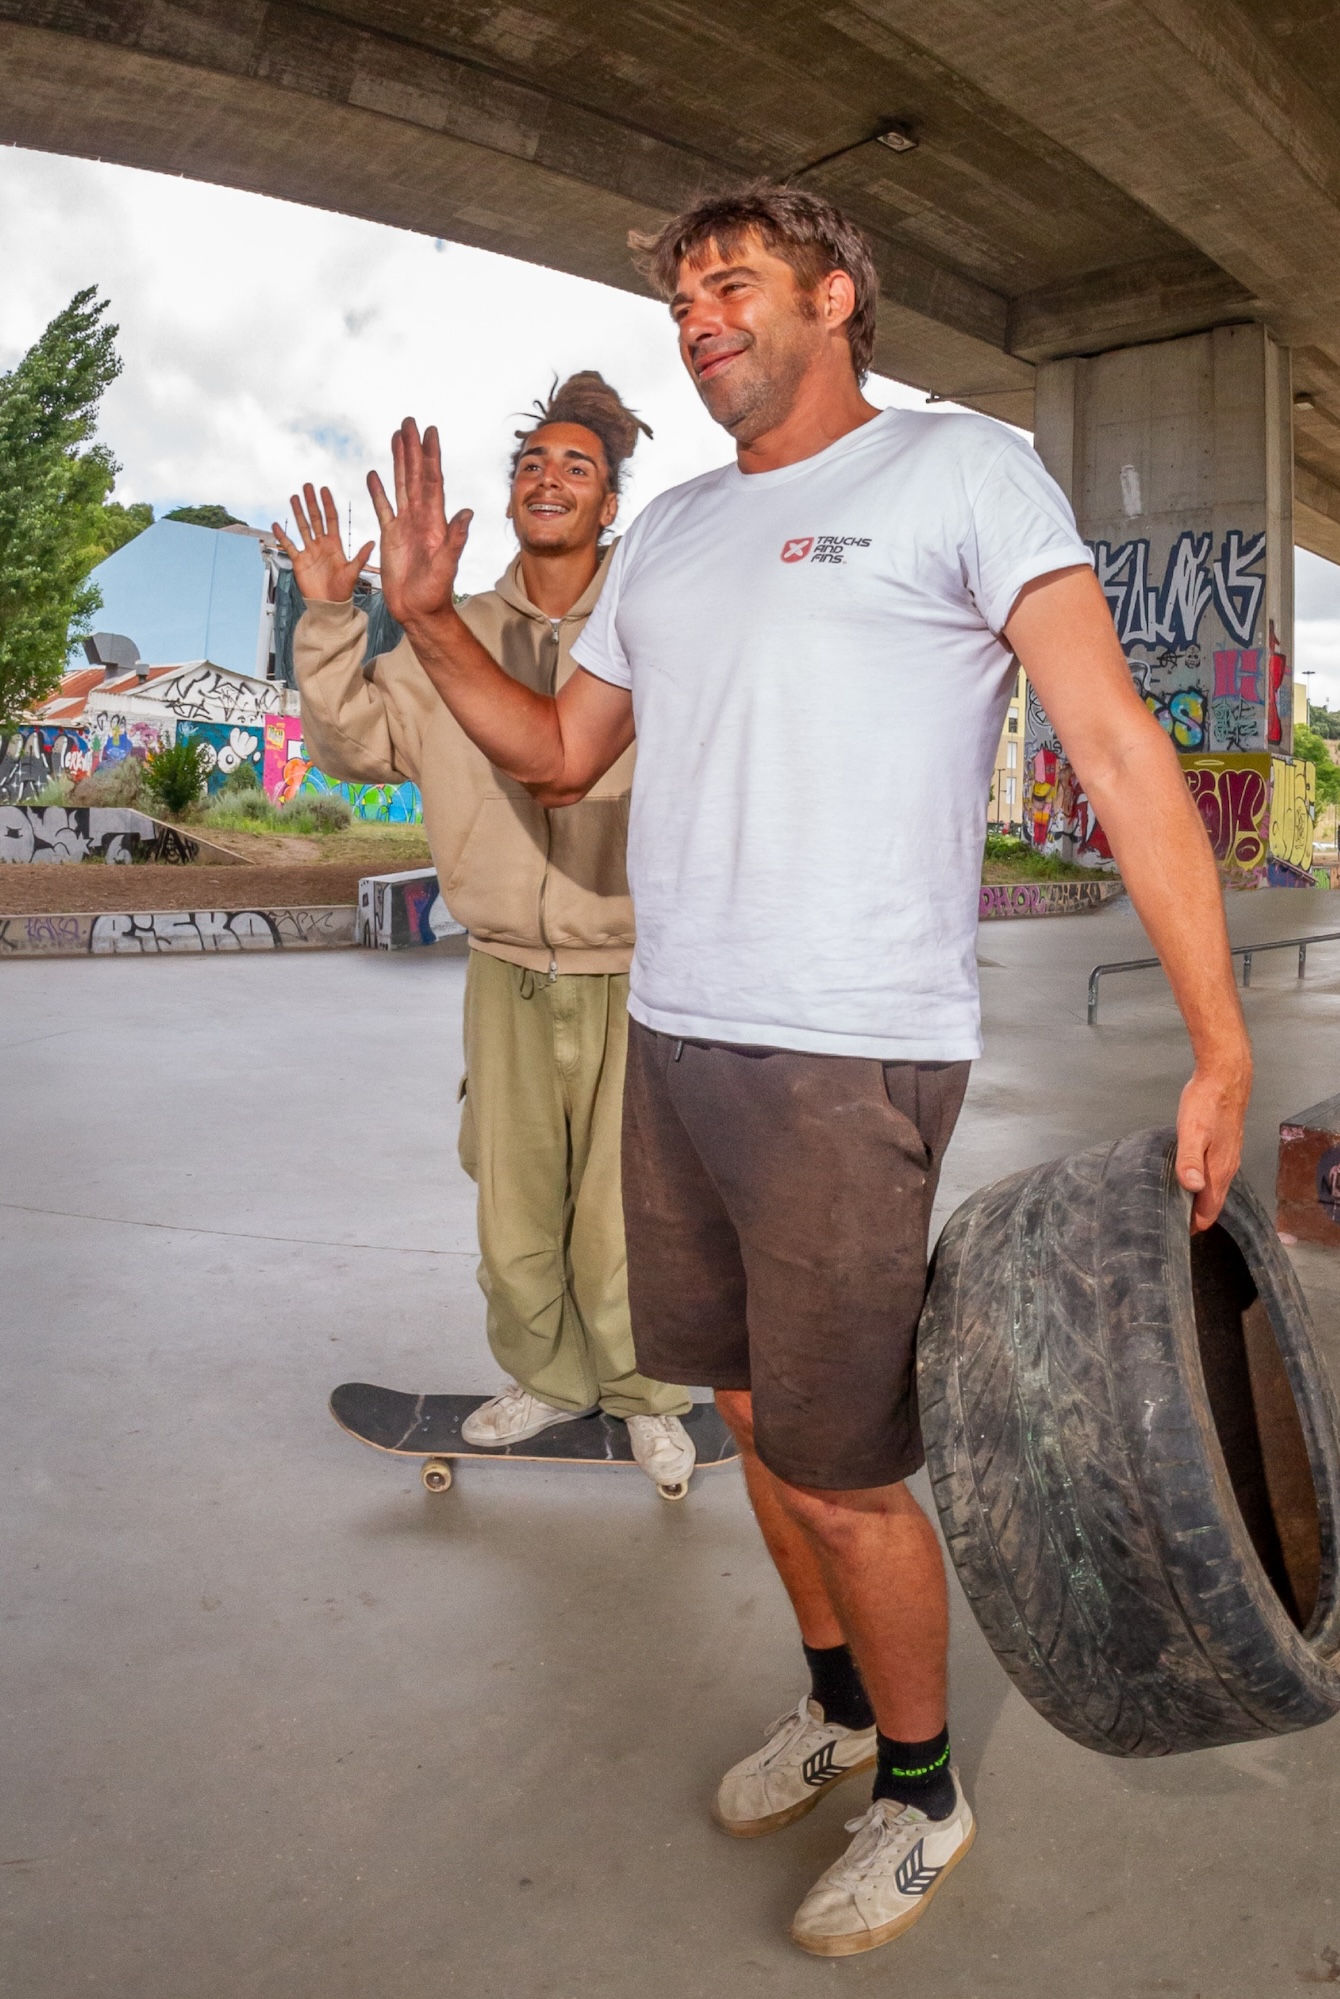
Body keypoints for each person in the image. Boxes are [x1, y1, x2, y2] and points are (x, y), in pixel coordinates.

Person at [359, 187, 1254, 1955]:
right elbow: (558, 752)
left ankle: (924, 1785)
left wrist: (1221, 1040)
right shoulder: (675, 531)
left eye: (733, 284)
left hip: (855, 1053)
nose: (698, 319)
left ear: (836, 296)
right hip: (677, 1034)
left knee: (847, 1458)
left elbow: (1116, 749)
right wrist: (428, 621)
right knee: (758, 1413)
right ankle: (840, 1696)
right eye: (682, 297)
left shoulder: (960, 471)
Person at [272, 374, 699, 1499]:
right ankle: (549, 1381)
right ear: (508, 499)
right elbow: (352, 743)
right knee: (512, 1209)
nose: (548, 477)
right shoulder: (443, 639)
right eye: (531, 464)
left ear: (611, 506)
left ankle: (650, 1397)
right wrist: (330, 615)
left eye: (578, 466)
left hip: (636, 972)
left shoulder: (657, 635)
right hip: (505, 968)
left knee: (627, 1218)